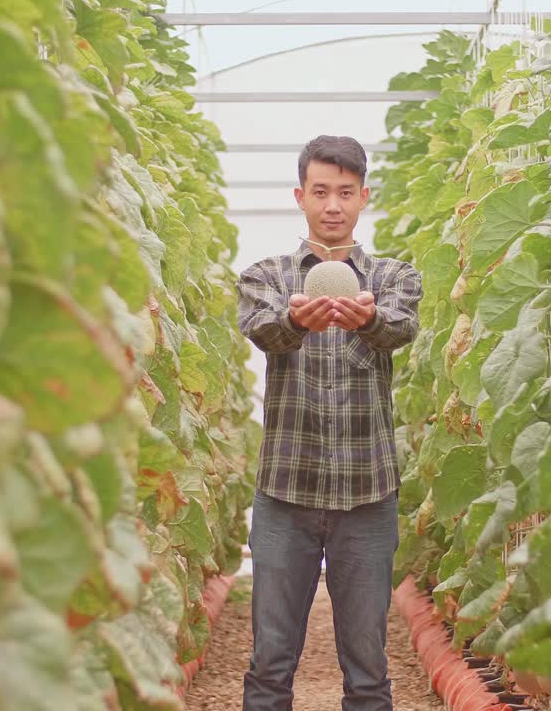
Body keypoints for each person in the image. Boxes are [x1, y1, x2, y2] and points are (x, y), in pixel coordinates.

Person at [236, 135, 424, 711]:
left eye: (346, 192)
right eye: (321, 192)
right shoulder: (267, 276)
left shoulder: (393, 278)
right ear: (301, 196)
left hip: (367, 499)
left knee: (368, 672)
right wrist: (297, 322)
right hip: (285, 499)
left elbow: (399, 327)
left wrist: (367, 321)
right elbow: (263, 328)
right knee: (269, 665)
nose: (333, 205)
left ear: (364, 197)